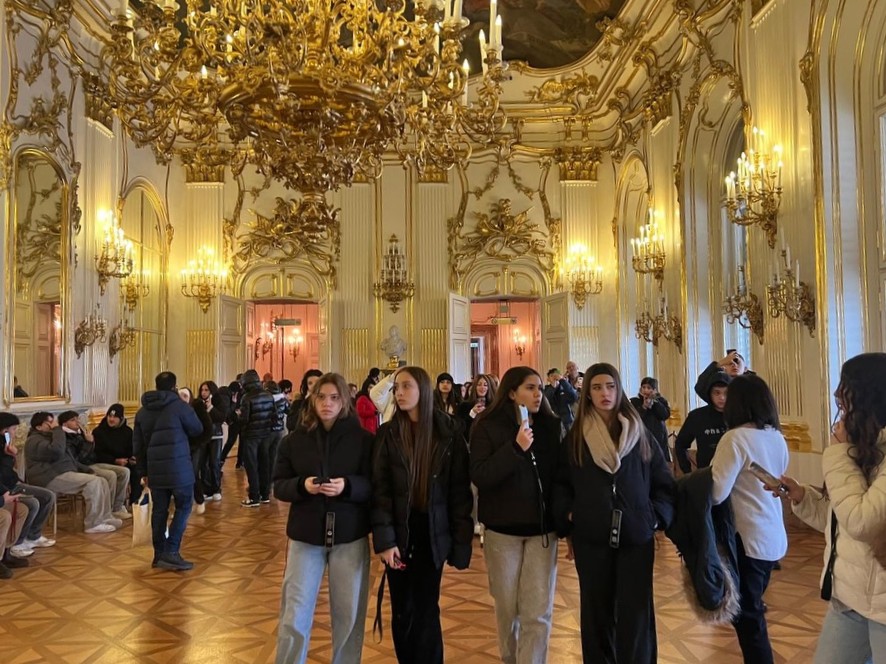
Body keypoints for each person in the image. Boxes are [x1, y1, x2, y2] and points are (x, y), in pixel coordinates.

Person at [554, 363, 675, 663]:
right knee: (596, 613)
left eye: (610, 386)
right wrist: (571, 516)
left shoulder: (640, 434)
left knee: (636, 613)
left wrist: (654, 517)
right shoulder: (576, 438)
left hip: (636, 537)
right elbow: (561, 485)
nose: (604, 393)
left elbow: (663, 482)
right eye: (597, 387)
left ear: (619, 389)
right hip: (592, 538)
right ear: (587, 393)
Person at [772, 353, 886, 663]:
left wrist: (836, 453)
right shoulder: (864, 447)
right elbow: (842, 518)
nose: (841, 409)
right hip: (848, 597)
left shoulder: (851, 451)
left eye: (846, 398)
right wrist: (803, 497)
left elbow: (861, 521)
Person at [371, 366, 473, 664]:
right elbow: (381, 491)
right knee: (402, 610)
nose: (399, 393)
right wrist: (386, 541)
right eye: (397, 388)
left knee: (427, 608)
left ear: (423, 390)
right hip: (400, 533)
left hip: (432, 531)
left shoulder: (449, 433)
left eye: (406, 386)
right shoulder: (388, 434)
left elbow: (459, 492)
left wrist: (460, 542)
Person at [273, 373, 373, 664]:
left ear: (344, 401)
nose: (327, 403)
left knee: (348, 615)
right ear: (312, 399)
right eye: (321, 397)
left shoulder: (364, 441)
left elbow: (375, 485)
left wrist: (348, 486)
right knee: (295, 612)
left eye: (334, 398)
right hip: (306, 536)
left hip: (349, 535)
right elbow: (279, 485)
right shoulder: (293, 441)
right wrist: (302, 485)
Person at [469, 367, 562, 664]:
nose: (538, 394)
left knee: (538, 611)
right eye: (530, 388)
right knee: (507, 609)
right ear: (511, 392)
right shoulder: (486, 426)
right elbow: (481, 475)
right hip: (502, 531)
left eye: (540, 388)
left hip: (542, 531)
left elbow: (560, 477)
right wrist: (515, 448)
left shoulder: (551, 426)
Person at [710, 374, 788, 664]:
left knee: (748, 617)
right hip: (773, 536)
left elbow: (716, 492)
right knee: (749, 611)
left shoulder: (735, 438)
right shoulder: (776, 437)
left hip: (747, 537)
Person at [133, 371, 204, 571]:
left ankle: (158, 555)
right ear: (174, 386)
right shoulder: (180, 407)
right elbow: (197, 429)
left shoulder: (142, 412)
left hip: (155, 469)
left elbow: (137, 446)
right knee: (183, 507)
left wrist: (143, 472)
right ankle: (171, 551)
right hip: (179, 467)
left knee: (159, 511)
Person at [25, 412, 118, 533]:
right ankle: (93, 524)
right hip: (48, 477)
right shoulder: (34, 440)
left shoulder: (50, 437)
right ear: (38, 427)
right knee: (94, 482)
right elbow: (57, 451)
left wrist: (87, 470)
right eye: (50, 422)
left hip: (61, 472)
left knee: (102, 480)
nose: (54, 425)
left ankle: (105, 517)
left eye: (54, 421)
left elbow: (69, 459)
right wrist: (58, 430)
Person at [0, 413, 56, 559]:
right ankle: (17, 543)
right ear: (4, 431)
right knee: (32, 503)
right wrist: (9, 456)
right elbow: (3, 474)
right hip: (6, 489)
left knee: (47, 496)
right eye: (13, 429)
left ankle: (33, 536)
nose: (15, 433)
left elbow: (10, 472)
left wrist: (12, 456)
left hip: (12, 484)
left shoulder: (5, 445)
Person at [58, 410, 131, 519]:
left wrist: (90, 442)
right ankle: (108, 511)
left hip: (93, 462)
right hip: (81, 467)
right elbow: (77, 459)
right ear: (64, 423)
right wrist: (89, 442)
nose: (77, 422)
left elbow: (93, 452)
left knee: (124, 471)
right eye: (73, 420)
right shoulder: (65, 437)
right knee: (110, 475)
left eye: (77, 419)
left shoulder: (80, 432)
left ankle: (117, 507)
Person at [674, 370, 731, 473]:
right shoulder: (697, 416)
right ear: (710, 393)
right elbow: (680, 444)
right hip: (706, 474)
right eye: (717, 393)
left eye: (726, 393)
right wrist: (687, 471)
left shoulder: (739, 416)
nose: (722, 398)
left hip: (735, 474)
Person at [238, 369, 278, 507]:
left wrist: (237, 417)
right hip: (265, 435)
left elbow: (244, 420)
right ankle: (265, 495)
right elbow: (275, 416)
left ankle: (254, 497)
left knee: (252, 467)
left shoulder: (247, 398)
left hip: (251, 436)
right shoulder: (269, 395)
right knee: (264, 465)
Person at [92, 404, 141, 506]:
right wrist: (114, 460)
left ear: (121, 418)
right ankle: (116, 505)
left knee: (137, 470)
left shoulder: (127, 431)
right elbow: (97, 454)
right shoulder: (99, 432)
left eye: (115, 417)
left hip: (123, 461)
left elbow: (131, 449)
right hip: (106, 462)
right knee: (122, 473)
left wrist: (132, 458)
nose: (111, 419)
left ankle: (134, 503)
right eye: (110, 416)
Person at [197, 381, 228, 502]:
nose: (203, 393)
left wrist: (210, 407)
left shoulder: (219, 401)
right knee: (203, 465)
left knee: (214, 463)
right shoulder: (198, 403)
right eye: (202, 390)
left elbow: (221, 418)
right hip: (203, 437)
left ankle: (216, 489)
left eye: (206, 390)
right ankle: (206, 489)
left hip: (216, 436)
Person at [630, 377, 672, 463]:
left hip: (658, 439)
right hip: (641, 439)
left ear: (654, 390)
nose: (645, 390)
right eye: (643, 387)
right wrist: (644, 407)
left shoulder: (661, 401)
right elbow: (634, 418)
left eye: (649, 388)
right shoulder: (635, 402)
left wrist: (655, 401)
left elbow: (665, 415)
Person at [456, 374, 498, 440]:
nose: (482, 387)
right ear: (474, 387)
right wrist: (472, 413)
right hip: (471, 441)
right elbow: (460, 428)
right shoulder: (464, 406)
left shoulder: (494, 406)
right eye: (479, 384)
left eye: (485, 385)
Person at [356, 369, 382, 434]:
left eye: (373, 388)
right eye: (370, 387)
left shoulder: (372, 399)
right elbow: (360, 412)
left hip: (373, 427)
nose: (371, 389)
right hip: (366, 428)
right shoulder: (362, 398)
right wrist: (374, 412)